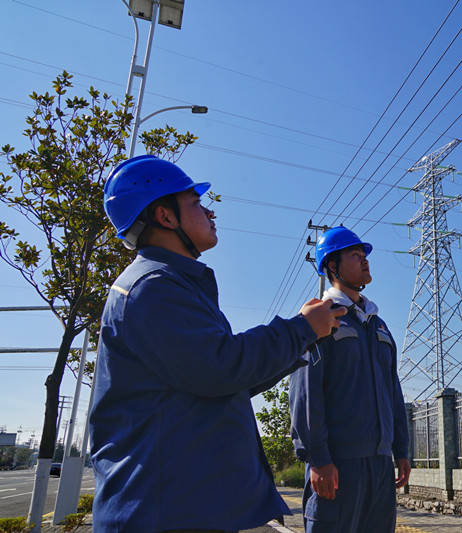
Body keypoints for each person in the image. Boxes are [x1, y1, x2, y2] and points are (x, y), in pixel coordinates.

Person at [89, 154, 346, 532]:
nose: (210, 212)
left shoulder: (171, 285)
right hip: (158, 511)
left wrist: (301, 335)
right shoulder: (153, 288)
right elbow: (222, 367)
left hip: (175, 505)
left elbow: (226, 379)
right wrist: (300, 331)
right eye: (196, 203)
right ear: (165, 216)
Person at [289, 226, 411, 533]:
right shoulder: (320, 317)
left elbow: (393, 392)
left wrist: (402, 450)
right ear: (333, 265)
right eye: (355, 256)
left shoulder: (378, 325)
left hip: (380, 466)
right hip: (338, 464)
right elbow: (305, 393)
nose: (365, 261)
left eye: (364, 255)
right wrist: (318, 459)